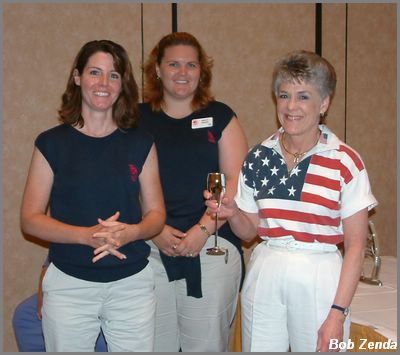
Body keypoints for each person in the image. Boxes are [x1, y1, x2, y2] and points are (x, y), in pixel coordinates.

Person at [205, 50, 378, 352]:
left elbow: (356, 247)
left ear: (324, 103)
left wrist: (337, 313)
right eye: (284, 95)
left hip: (320, 274)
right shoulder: (258, 156)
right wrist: (232, 213)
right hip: (266, 270)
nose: (291, 106)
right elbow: (249, 233)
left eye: (304, 96)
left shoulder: (344, 161)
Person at [20, 39, 166, 352]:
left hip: (132, 286)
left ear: (123, 83)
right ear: (77, 77)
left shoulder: (141, 143)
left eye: (114, 75)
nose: (103, 83)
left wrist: (132, 232)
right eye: (95, 73)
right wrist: (87, 236)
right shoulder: (51, 143)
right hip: (69, 285)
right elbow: (30, 220)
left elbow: (156, 216)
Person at [139, 32, 248, 352]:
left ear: (202, 70)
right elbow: (123, 184)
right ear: (157, 69)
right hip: (151, 250)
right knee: (156, 346)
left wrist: (202, 230)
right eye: (173, 64)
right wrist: (153, 230)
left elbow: (234, 182)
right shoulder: (136, 119)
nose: (182, 72)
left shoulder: (221, 117)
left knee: (206, 346)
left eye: (191, 64)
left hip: (212, 246)